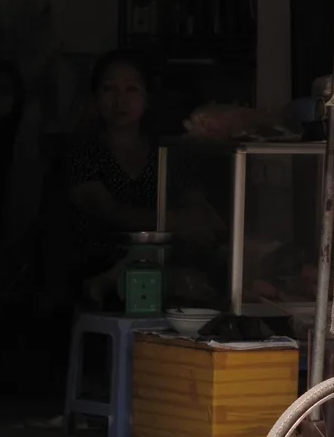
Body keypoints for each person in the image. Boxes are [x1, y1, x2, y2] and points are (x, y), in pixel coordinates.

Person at [67, 50, 222, 303]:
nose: (120, 100)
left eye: (131, 89)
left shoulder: (164, 150)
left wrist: (204, 220)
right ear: (95, 97)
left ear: (147, 97)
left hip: (163, 262)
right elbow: (106, 209)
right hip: (96, 262)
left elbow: (195, 198)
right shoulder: (83, 151)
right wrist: (171, 222)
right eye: (109, 89)